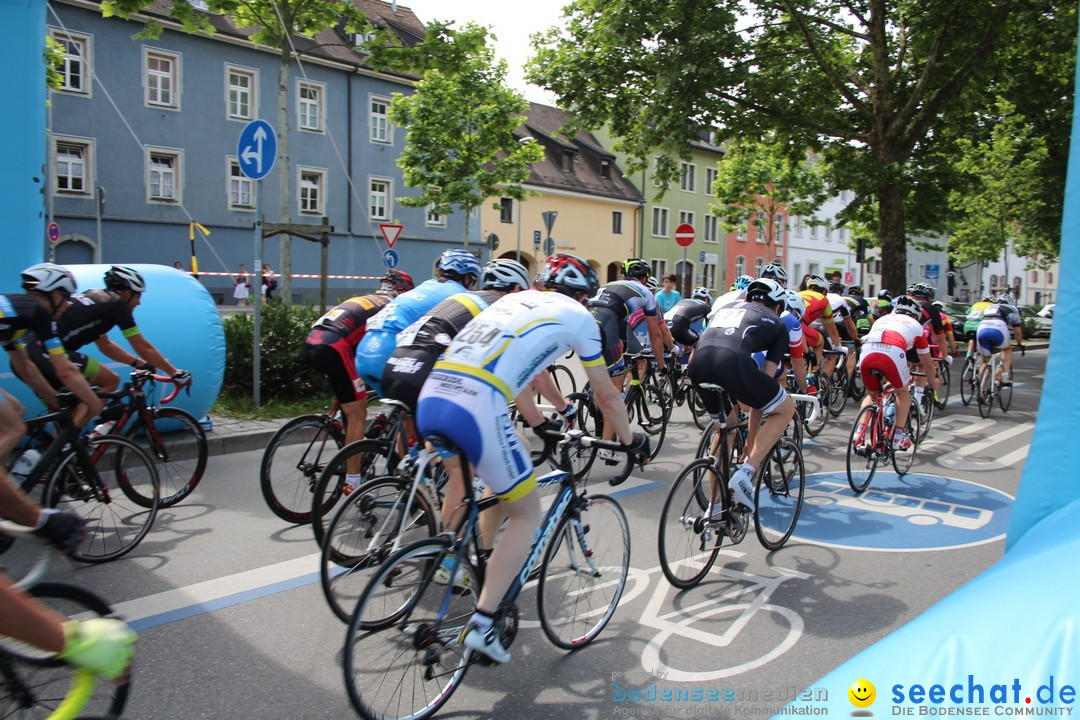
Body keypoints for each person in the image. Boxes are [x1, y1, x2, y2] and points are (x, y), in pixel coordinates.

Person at [415, 252, 649, 664]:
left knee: (511, 461)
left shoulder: (510, 302)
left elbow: (517, 373)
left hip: (433, 395)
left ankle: (478, 558)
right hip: (475, 406)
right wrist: (630, 441)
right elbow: (607, 394)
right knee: (527, 513)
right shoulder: (580, 319)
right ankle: (484, 625)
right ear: (584, 296)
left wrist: (539, 424)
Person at [687, 278, 796, 515]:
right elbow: (764, 397)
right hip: (730, 363)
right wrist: (752, 446)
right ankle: (746, 474)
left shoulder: (726, 308)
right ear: (777, 306)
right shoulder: (777, 323)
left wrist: (749, 440)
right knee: (785, 409)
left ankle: (714, 509)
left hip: (697, 366)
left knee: (726, 429)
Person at [303, 269, 415, 490]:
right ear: (403, 292)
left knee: (351, 394)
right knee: (358, 414)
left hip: (313, 341)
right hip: (336, 346)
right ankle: (353, 482)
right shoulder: (392, 307)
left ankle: (346, 432)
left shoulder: (369, 298)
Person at [22, 267, 190, 407]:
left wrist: (139, 364)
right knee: (110, 381)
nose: (139, 302)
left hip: (27, 353)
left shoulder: (96, 297)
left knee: (62, 414)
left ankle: (60, 444)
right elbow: (143, 347)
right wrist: (175, 373)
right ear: (125, 293)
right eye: (138, 295)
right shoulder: (118, 305)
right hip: (47, 354)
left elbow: (105, 345)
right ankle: (78, 439)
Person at [354, 250, 483, 428]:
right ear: (468, 277)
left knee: (405, 417)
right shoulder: (459, 295)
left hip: (364, 351)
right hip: (390, 350)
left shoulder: (427, 285)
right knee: (431, 416)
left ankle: (390, 448)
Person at [3, 264, 103, 422]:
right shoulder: (38, 313)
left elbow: (26, 369)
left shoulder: (15, 315)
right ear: (56, 295)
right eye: (67, 298)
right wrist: (97, 406)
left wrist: (55, 400)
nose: (68, 305)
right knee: (14, 430)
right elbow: (66, 371)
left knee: (17, 410)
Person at [853, 296, 939, 451]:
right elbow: (927, 362)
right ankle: (898, 437)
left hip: (867, 351)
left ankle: (859, 432)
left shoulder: (883, 319)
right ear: (915, 316)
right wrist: (933, 382)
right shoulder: (916, 326)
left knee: (872, 394)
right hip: (892, 352)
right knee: (902, 391)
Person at [975, 296, 1024, 384]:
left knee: (985, 361)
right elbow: (1018, 333)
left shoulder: (989, 307)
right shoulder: (1012, 309)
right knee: (1006, 349)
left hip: (982, 328)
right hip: (999, 327)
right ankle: (1005, 377)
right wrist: (1019, 343)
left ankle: (980, 390)